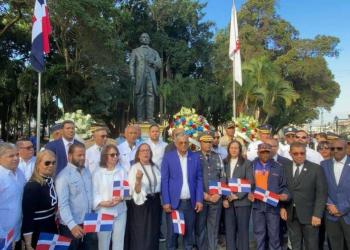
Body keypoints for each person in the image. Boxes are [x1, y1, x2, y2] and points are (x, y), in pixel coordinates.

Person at [280, 142, 327, 250]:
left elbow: (321, 193)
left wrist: (317, 214)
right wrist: (282, 207)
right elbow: (283, 188)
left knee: (311, 245)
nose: (299, 156)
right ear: (290, 153)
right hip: (291, 214)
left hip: (310, 216)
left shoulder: (316, 169)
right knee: (295, 245)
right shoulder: (285, 168)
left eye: (302, 153)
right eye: (296, 153)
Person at [161, 133, 204, 250]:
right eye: (181, 142)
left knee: (189, 237)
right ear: (175, 144)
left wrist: (200, 200)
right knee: (172, 237)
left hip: (190, 204)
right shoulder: (168, 157)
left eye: (186, 142)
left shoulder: (194, 157)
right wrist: (166, 201)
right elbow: (164, 180)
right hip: (174, 204)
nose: (184, 145)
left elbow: (199, 179)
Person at [55, 144, 97, 250]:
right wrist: (72, 225)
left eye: (84, 155)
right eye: (79, 155)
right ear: (70, 156)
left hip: (88, 222)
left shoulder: (86, 171)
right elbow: (63, 204)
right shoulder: (63, 177)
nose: (82, 158)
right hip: (72, 226)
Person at [249, 143, 289, 250]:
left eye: (267, 152)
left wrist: (284, 197)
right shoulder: (251, 165)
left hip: (273, 205)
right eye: (262, 152)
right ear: (258, 153)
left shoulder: (278, 167)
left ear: (270, 152)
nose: (265, 154)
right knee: (259, 234)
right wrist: (250, 192)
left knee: (274, 235)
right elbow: (247, 184)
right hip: (257, 206)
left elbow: (284, 186)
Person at [126, 143, 161, 250]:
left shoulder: (155, 167)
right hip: (141, 204)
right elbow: (135, 191)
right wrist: (138, 180)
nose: (146, 152)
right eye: (143, 150)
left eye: (147, 150)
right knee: (142, 234)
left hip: (155, 202)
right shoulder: (134, 168)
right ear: (138, 154)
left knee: (153, 233)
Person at [92, 144, 127, 250]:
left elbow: (126, 189)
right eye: (112, 155)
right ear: (105, 156)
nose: (115, 157)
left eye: (117, 154)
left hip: (120, 211)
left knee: (119, 242)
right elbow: (93, 192)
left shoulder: (122, 171)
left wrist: (121, 198)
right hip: (103, 212)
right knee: (103, 243)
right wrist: (102, 202)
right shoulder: (97, 173)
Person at [22, 150, 58, 249]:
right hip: (38, 232)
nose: (51, 165)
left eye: (53, 162)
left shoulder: (49, 181)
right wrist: (28, 244)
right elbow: (28, 217)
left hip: (51, 228)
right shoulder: (32, 186)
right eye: (47, 163)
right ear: (38, 164)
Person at [223, 140, 253, 250]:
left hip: (243, 202)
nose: (234, 150)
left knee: (243, 231)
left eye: (236, 148)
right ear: (228, 149)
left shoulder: (247, 163)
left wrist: (238, 195)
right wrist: (226, 197)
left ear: (240, 150)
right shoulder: (224, 162)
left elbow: (250, 181)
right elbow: (222, 181)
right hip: (228, 201)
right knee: (229, 230)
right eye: (231, 148)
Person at [195, 134, 224, 250]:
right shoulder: (195, 157)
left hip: (216, 199)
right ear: (200, 143)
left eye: (210, 142)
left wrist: (219, 193)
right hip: (201, 198)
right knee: (200, 228)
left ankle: (212, 248)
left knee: (214, 228)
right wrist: (203, 195)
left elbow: (222, 176)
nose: (208, 144)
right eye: (205, 142)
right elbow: (192, 178)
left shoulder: (218, 157)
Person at [322, 139, 350, 250]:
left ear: (346, 149)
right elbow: (321, 188)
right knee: (334, 245)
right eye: (332, 148)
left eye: (339, 148)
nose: (335, 151)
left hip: (348, 214)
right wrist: (329, 205)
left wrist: (342, 208)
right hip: (331, 215)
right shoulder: (323, 165)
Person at [129, 33, 162, 123]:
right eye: (143, 37)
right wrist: (132, 75)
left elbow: (159, 64)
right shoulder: (135, 51)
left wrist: (153, 62)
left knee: (151, 96)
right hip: (140, 76)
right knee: (140, 96)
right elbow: (131, 64)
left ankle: (150, 118)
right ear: (140, 39)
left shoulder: (154, 52)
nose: (145, 38)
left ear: (149, 40)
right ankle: (140, 118)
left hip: (151, 76)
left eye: (147, 37)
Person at [0, 143, 26, 249]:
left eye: (17, 154)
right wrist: (3, 236)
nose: (16, 158)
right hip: (3, 237)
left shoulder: (19, 173)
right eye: (11, 156)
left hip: (17, 232)